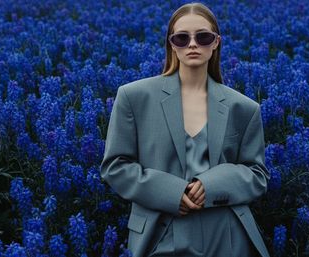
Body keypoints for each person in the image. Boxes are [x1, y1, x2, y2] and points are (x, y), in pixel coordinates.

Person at [100, 2, 271, 257]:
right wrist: (171, 192)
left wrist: (212, 184)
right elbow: (115, 166)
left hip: (226, 235)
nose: (192, 44)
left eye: (203, 37)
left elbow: (257, 174)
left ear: (216, 42)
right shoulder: (134, 97)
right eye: (182, 38)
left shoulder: (243, 107)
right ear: (171, 44)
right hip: (159, 234)